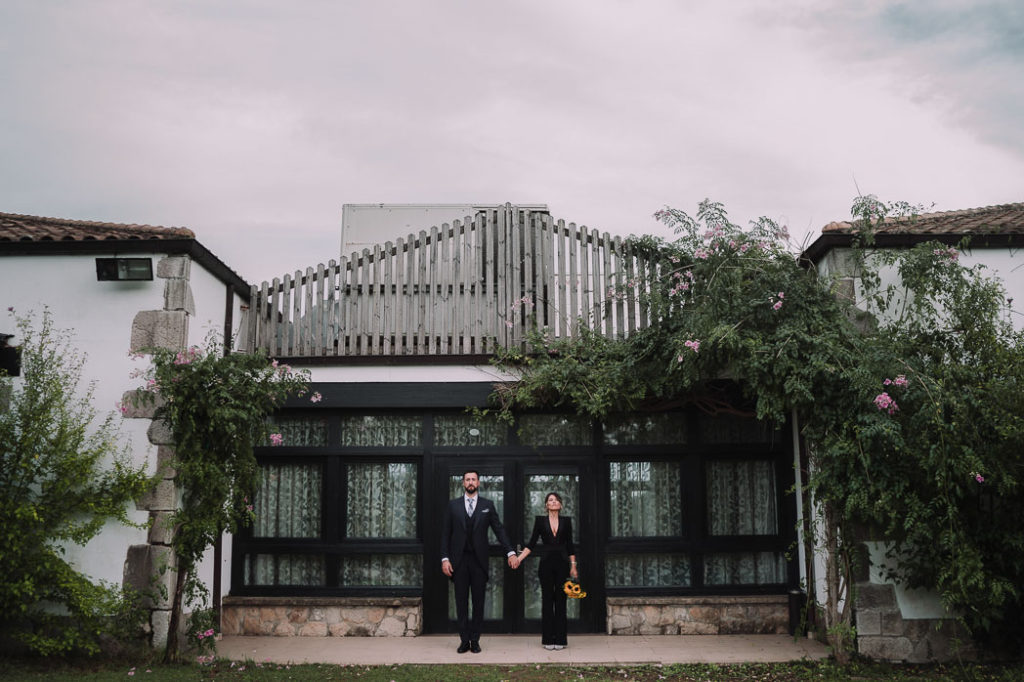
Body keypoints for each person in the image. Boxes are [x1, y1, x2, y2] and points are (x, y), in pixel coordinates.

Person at [440, 470, 519, 654]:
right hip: (458, 562)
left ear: (479, 482)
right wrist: (445, 558)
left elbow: (499, 531)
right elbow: (445, 534)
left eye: (473, 479)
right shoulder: (453, 506)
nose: (470, 482)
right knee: (461, 602)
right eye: (467, 479)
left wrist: (510, 552)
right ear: (462, 483)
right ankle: (463, 640)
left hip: (479, 562)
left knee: (478, 602)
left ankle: (475, 640)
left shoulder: (488, 505)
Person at [516, 491, 577, 650]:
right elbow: (531, 544)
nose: (554, 502)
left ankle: (561, 640)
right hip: (546, 565)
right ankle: (548, 639)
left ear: (561, 505)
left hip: (563, 565)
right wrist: (519, 559)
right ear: (546, 505)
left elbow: (570, 545)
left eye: (557, 500)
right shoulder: (540, 521)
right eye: (551, 500)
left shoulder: (567, 521)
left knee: (561, 601)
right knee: (548, 601)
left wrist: (573, 565)